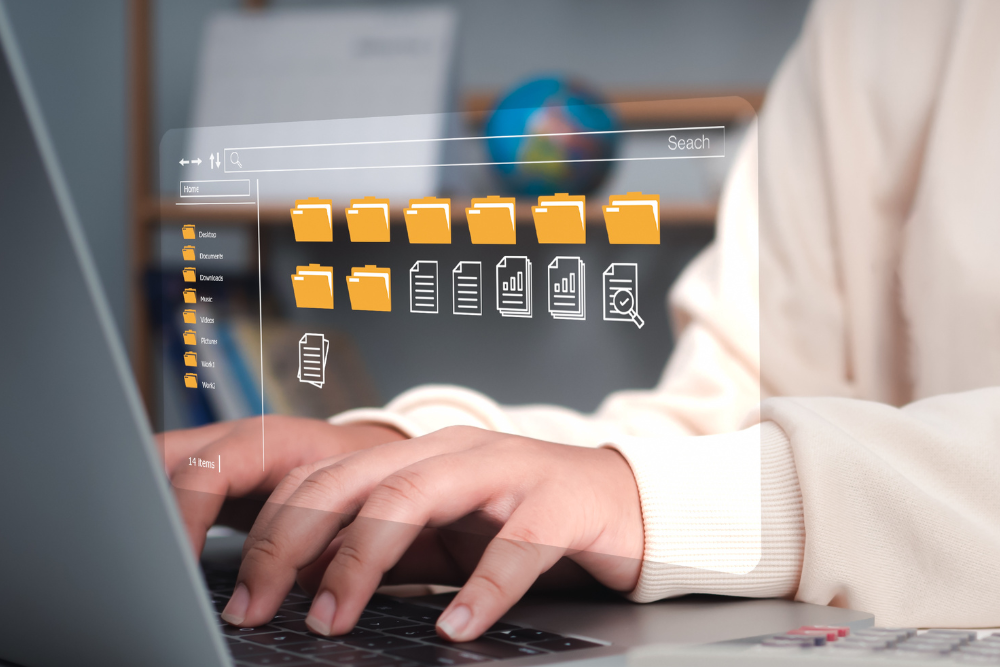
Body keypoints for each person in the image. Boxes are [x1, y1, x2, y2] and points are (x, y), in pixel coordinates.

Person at [162, 0, 1000, 642]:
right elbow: (735, 409)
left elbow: (718, 483)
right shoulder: (873, 19)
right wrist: (414, 457)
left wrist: (650, 499)